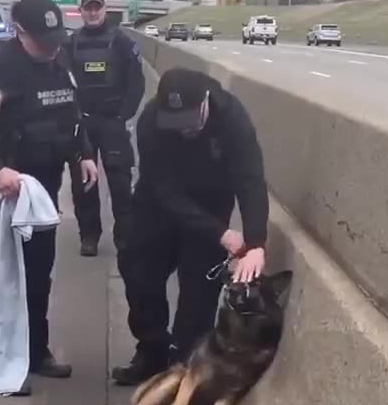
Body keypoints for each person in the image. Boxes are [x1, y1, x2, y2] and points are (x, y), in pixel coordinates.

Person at [111, 68, 270, 386]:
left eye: (189, 120)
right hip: (158, 207)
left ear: (205, 103)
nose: (184, 130)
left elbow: (250, 180)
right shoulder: (150, 121)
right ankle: (151, 351)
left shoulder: (232, 120)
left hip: (212, 204)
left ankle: (183, 366)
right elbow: (162, 189)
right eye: (176, 123)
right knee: (140, 276)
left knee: (198, 293)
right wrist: (221, 233)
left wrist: (255, 243)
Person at [0, 0, 99, 380]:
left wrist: (84, 153)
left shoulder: (61, 58)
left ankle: (34, 351)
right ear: (18, 31)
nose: (49, 48)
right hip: (1, 190)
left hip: (42, 186)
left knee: (39, 272)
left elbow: (72, 113)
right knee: (0, 275)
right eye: (40, 41)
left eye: (53, 39)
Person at [64, 0, 145, 257]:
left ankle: (125, 237)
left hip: (113, 122)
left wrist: (124, 115)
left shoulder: (122, 41)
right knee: (84, 184)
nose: (92, 12)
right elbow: (63, 84)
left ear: (105, 9)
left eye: (97, 8)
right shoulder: (71, 43)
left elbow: (136, 83)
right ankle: (89, 235)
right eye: (88, 8)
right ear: (81, 10)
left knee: (121, 184)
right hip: (82, 124)